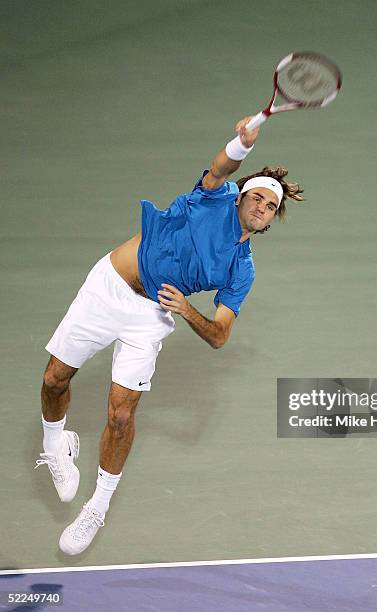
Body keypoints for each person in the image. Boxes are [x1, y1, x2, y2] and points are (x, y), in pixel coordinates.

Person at [35, 116, 304, 555]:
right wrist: (241, 144)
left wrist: (186, 309)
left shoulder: (242, 270)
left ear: (272, 220)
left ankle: (97, 508)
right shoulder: (212, 199)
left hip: (150, 318)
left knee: (121, 417)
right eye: (255, 196)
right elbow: (220, 168)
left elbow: (219, 336)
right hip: (108, 288)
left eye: (270, 206)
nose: (260, 206)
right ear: (240, 198)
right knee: (53, 379)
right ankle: (55, 444)